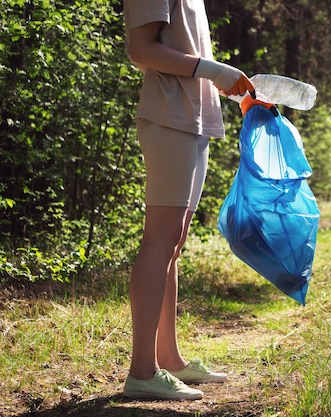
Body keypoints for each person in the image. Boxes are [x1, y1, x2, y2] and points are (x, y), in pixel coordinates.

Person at [122, 0, 263, 401]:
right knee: (160, 239)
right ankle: (142, 372)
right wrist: (213, 69)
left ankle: (169, 359)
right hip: (168, 117)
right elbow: (141, 49)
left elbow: (182, 54)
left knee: (174, 241)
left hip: (193, 119)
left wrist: (231, 86)